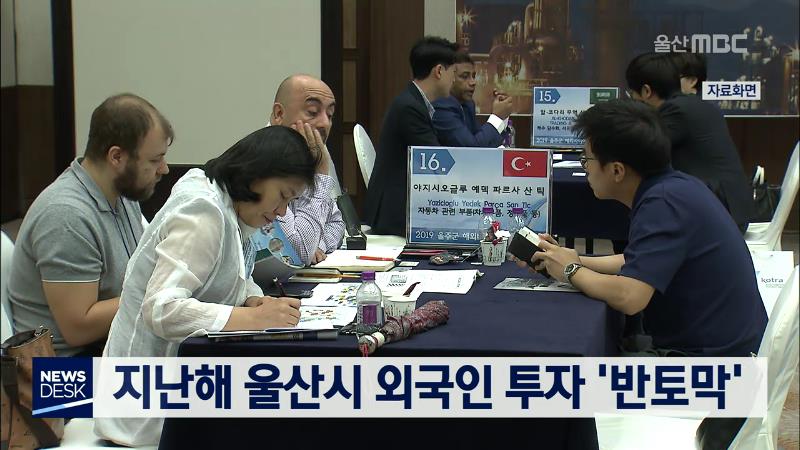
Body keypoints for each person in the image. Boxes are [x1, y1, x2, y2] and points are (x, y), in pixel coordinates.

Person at [516, 99, 767, 449]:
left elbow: (630, 297)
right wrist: (575, 260)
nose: (585, 169)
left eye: (587, 160)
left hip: (711, 373)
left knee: (545, 388)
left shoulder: (662, 203)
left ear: (617, 170)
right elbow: (636, 261)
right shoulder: (675, 187)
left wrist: (570, 270)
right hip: (731, 356)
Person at [95, 126, 316, 446]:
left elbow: (232, 274)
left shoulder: (231, 205)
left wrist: (253, 299)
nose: (282, 212)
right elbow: (161, 309)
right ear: (257, 175)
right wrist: (252, 318)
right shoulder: (203, 212)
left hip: (184, 386)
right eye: (283, 196)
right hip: (146, 410)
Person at [7, 93, 172, 356]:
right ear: (116, 157)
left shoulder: (121, 196)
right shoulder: (66, 216)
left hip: (111, 348)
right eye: (154, 160)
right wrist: (165, 294)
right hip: (66, 369)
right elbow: (79, 329)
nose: (164, 169)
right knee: (214, 376)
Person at [626, 52, 754, 232]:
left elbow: (643, 151)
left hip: (718, 214)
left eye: (631, 94)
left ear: (646, 91)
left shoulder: (675, 110)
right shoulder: (699, 105)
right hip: (729, 208)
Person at [364, 36, 459, 236]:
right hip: (395, 213)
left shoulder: (413, 102)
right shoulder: (410, 108)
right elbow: (436, 162)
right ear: (439, 71)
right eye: (454, 73)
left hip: (404, 203)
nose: (454, 80)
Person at [265, 74, 345, 264]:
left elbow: (336, 223)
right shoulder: (263, 163)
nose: (325, 123)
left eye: (330, 115)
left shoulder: (309, 154)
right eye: (312, 112)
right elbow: (295, 254)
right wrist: (319, 176)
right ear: (279, 114)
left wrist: (318, 245)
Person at [432, 51, 513, 147]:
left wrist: (502, 116)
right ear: (449, 78)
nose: (473, 82)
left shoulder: (468, 104)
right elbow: (471, 149)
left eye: (473, 76)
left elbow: (485, 142)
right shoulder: (441, 106)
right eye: (465, 76)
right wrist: (497, 117)